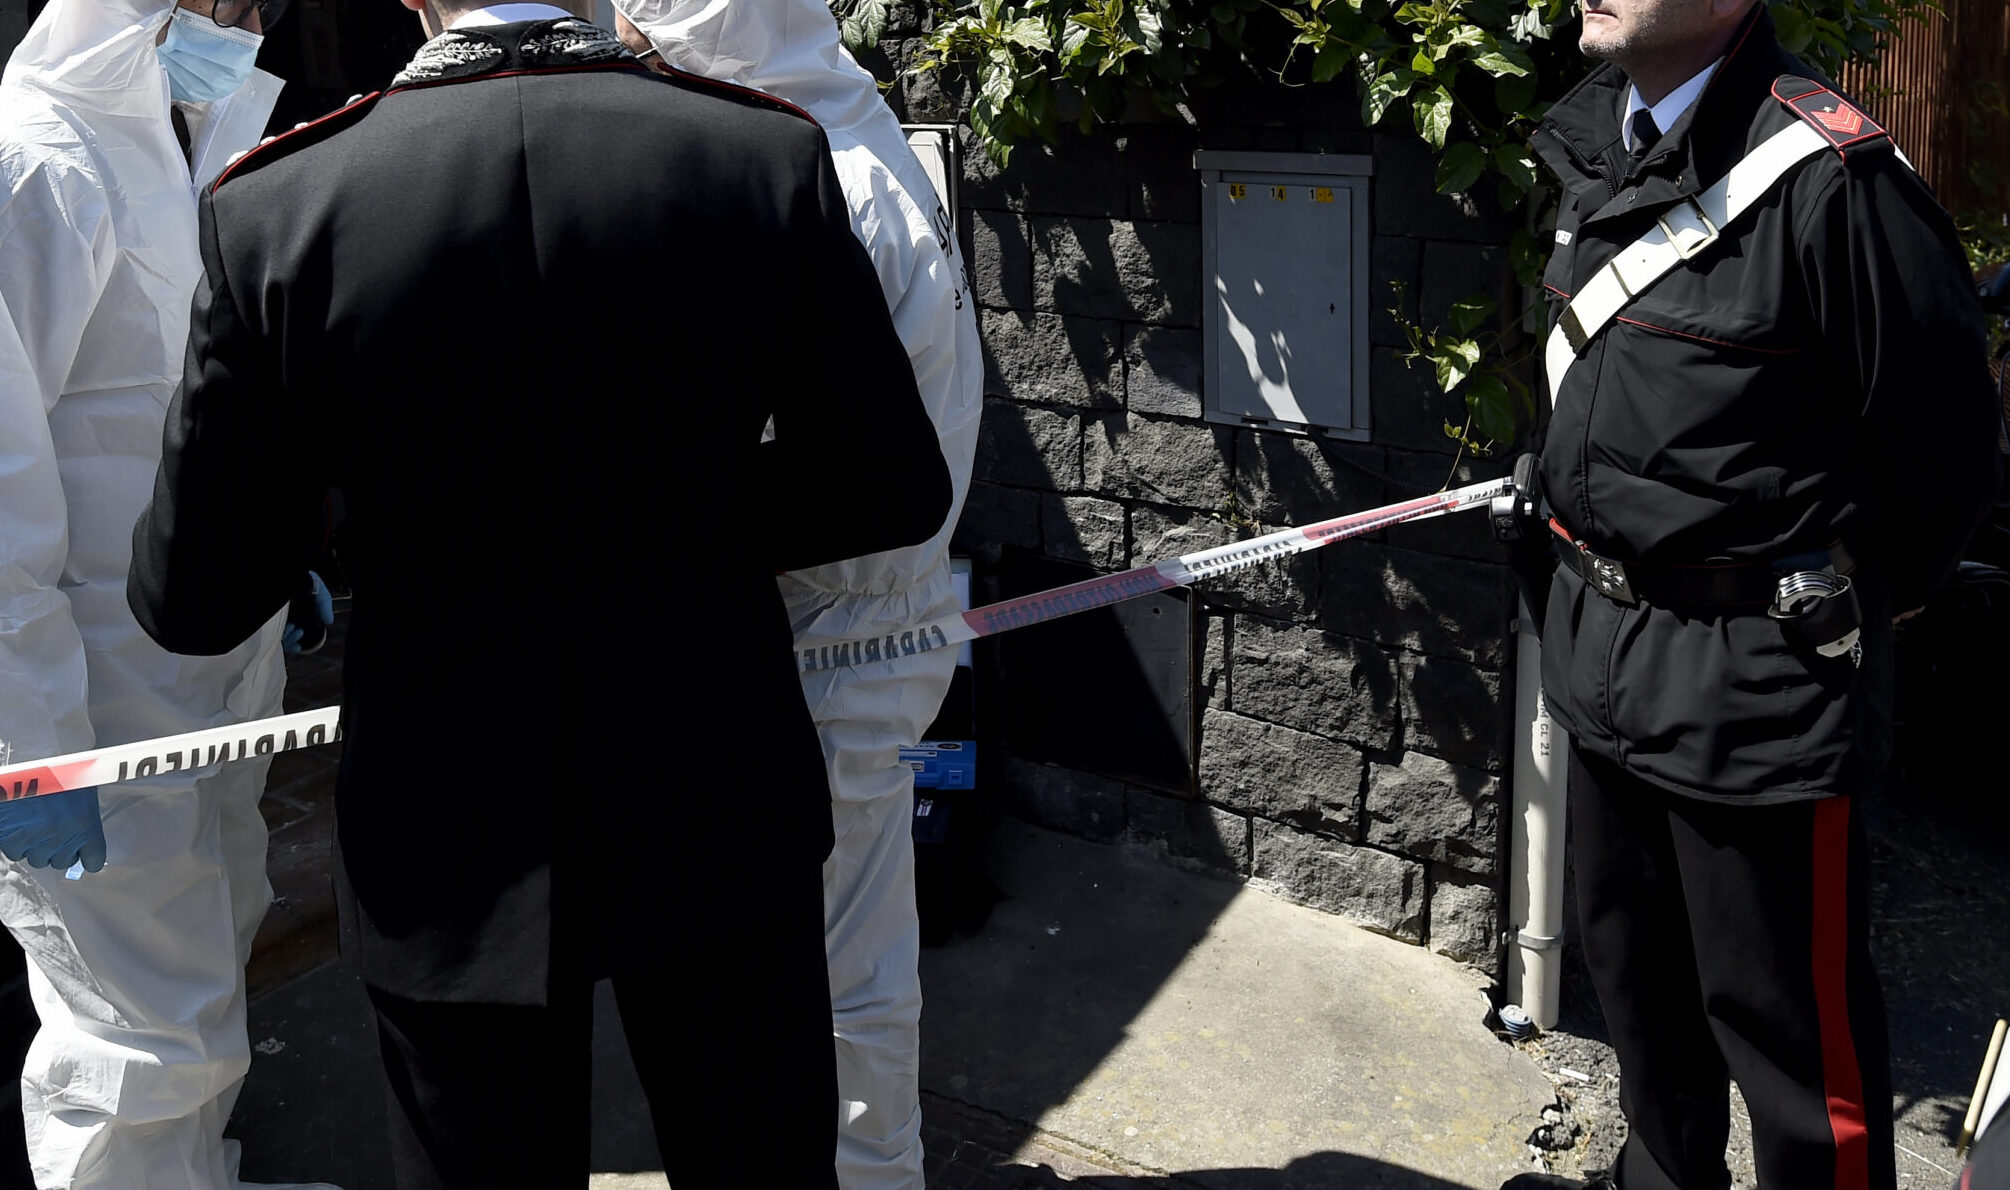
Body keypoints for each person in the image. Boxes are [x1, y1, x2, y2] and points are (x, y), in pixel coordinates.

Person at [123, 0, 954, 1184]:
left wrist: (354, 526)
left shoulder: (276, 205)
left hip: (445, 815)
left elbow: (189, 595)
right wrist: (691, 517)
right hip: (711, 775)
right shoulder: (754, 152)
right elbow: (889, 485)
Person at [1501, 1, 2003, 1188]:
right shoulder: (1595, 141)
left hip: (1758, 700)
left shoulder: (1831, 179)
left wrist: (1829, 600)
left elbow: (1947, 459)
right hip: (1606, 666)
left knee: (1792, 1063)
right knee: (1642, 1018)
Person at [608, 3, 981, 1186]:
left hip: (828, 629)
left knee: (824, 973)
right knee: (862, 947)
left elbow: (803, 452)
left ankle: (862, 1173)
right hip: (878, 614)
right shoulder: (852, 128)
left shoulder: (803, 175)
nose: (628, 30)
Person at [0, 2, 338, 1187]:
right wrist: (25, 746)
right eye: (221, 5)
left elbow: (191, 405)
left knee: (205, 972)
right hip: (88, 705)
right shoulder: (32, 160)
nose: (243, 25)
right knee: (130, 1036)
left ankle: (201, 1172)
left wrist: (267, 553)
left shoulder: (188, 132)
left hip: (202, 670)